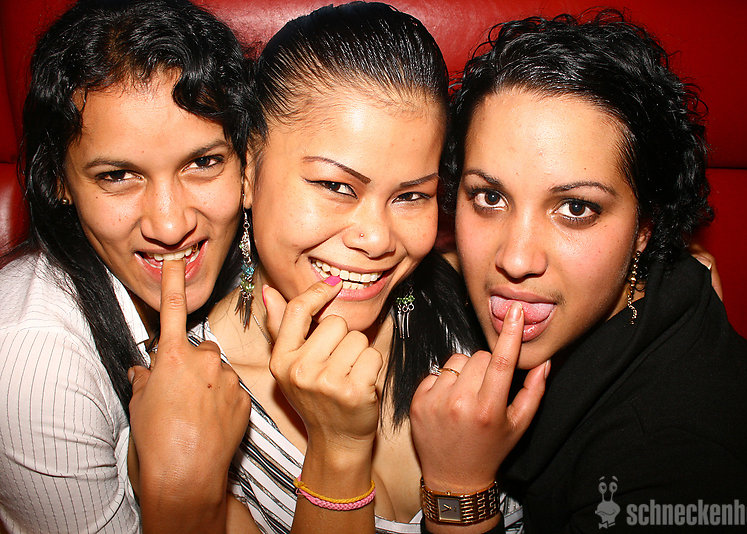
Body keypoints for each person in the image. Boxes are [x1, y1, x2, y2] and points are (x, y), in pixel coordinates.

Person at [410, 11, 747, 533]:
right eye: (490, 197)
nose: (516, 260)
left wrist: (458, 487)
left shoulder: (665, 469)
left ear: (645, 228)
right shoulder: (654, 301)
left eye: (576, 209)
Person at [189, 3, 525, 533]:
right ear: (248, 171)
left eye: (411, 195)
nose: (377, 239)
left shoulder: (474, 307)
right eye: (336, 186)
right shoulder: (193, 407)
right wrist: (339, 447)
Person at [0, 1, 255, 532]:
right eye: (117, 176)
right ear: (59, 182)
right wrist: (184, 495)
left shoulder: (252, 255)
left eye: (203, 162)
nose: (170, 224)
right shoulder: (34, 364)